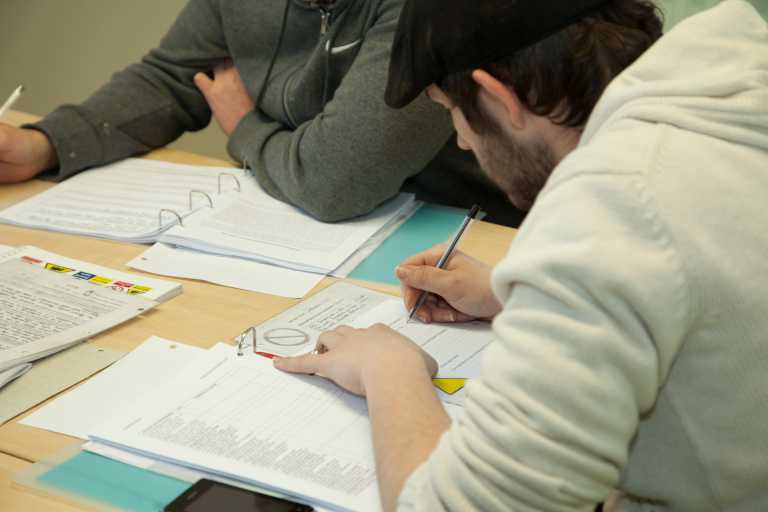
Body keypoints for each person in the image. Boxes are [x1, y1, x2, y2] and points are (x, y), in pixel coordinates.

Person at [274, 0, 768, 510]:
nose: (462, 142)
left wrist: (388, 370)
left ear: (498, 96)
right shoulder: (727, 93)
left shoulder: (611, 207)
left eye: (451, 112)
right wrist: (522, 297)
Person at [0, 0, 522, 226]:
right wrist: (45, 144)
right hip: (295, 224)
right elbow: (172, 76)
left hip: (456, 234)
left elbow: (336, 181)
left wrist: (245, 129)